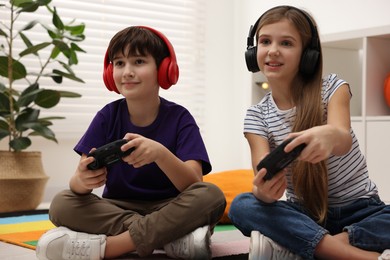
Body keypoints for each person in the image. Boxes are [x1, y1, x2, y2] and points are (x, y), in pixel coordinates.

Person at [36, 26, 226, 260]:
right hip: (117, 208)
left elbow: (194, 183)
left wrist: (160, 154)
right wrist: (82, 180)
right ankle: (171, 237)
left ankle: (111, 247)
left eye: (138, 61)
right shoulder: (107, 116)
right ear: (110, 72)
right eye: (119, 63)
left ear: (165, 69)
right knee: (61, 203)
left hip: (170, 206)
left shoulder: (180, 118)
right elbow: (79, 184)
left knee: (211, 195)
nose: (127, 72)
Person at [228, 5, 390, 260]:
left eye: (286, 43)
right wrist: (263, 192)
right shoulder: (256, 116)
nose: (272, 50)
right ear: (253, 51)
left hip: (362, 210)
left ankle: (314, 246)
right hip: (304, 214)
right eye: (265, 41)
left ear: (308, 54)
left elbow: (342, 137)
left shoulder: (334, 88)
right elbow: (261, 172)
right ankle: (357, 255)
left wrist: (328, 135)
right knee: (242, 206)